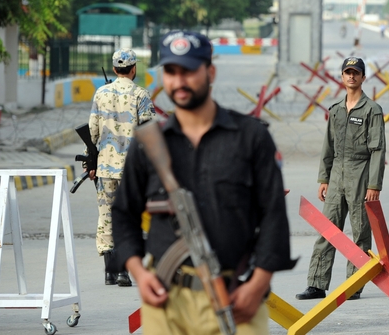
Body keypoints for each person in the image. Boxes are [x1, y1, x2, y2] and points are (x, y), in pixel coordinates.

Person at [111, 31, 296, 334]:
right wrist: (138, 273)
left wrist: (260, 282)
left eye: (189, 70)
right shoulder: (148, 143)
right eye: (170, 71)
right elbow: (123, 214)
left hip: (237, 296)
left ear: (210, 72)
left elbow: (274, 214)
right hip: (167, 304)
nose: (179, 81)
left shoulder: (250, 137)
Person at [296, 56, 386, 301]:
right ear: (342, 76)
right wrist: (324, 178)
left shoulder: (372, 110)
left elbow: (378, 150)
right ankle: (316, 283)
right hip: (337, 174)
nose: (351, 76)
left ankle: (354, 284)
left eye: (356, 73)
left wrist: (374, 184)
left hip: (360, 173)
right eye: (348, 72)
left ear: (363, 78)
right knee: (328, 229)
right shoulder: (335, 110)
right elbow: (328, 146)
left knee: (360, 232)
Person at [88, 48, 155, 287]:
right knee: (129, 220)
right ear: (133, 68)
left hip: (105, 168)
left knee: (106, 217)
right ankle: (124, 273)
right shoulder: (141, 94)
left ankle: (109, 271)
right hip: (131, 172)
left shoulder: (101, 93)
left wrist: (91, 162)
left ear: (115, 69)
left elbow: (92, 132)